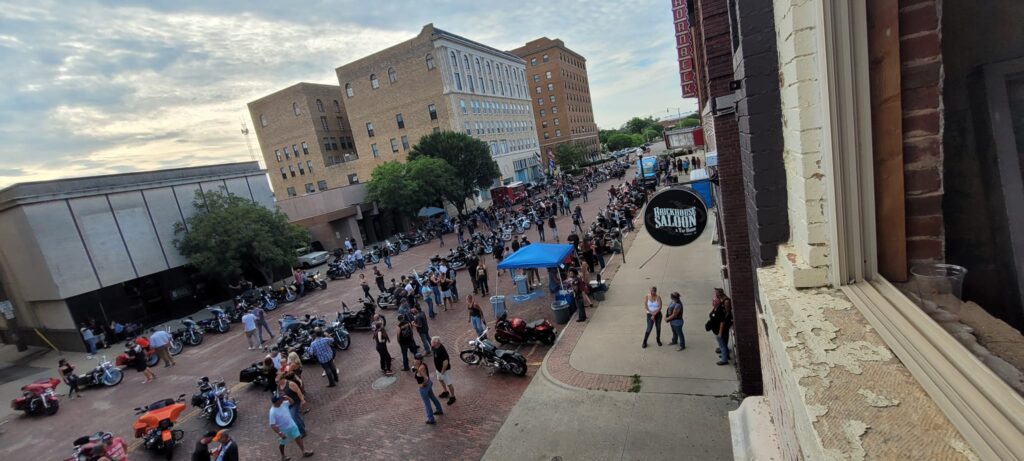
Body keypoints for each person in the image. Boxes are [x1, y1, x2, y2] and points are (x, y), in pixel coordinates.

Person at [268, 394, 313, 460]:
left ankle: (304, 451)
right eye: (280, 399)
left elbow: (292, 402)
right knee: (282, 443)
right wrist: (280, 433)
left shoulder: (283, 403)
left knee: (298, 437)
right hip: (283, 430)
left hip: (292, 425)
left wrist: (288, 397)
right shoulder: (272, 412)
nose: (282, 399)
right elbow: (272, 425)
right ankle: (283, 456)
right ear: (276, 401)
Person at [413, 352, 445, 425]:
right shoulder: (422, 365)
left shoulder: (421, 368)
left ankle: (431, 419)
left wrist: (422, 385)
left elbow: (426, 378)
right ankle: (439, 409)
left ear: (419, 360)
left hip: (424, 387)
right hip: (429, 385)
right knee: (433, 397)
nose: (414, 360)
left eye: (415, 359)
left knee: (426, 403)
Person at [710, 288, 733, 365]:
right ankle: (725, 354)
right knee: (722, 341)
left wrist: (724, 322)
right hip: (720, 324)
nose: (715, 294)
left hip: (724, 324)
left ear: (720, 293)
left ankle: (725, 358)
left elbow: (727, 313)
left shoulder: (726, 301)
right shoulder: (720, 300)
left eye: (716, 293)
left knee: (723, 339)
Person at [431, 337, 456, 406]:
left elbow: (445, 363)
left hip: (445, 370)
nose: (431, 343)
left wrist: (442, 372)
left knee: (449, 383)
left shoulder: (442, 350)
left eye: (432, 342)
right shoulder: (434, 347)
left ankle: (453, 396)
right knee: (440, 379)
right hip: (438, 369)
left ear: (436, 343)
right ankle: (445, 391)